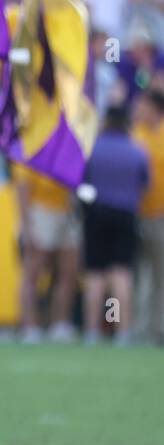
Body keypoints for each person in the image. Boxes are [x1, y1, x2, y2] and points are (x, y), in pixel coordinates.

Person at [81, 104, 150, 345]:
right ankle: (122, 332)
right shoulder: (136, 151)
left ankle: (92, 331)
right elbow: (145, 183)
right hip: (126, 214)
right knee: (121, 274)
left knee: (95, 275)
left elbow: (82, 181)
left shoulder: (94, 149)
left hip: (97, 214)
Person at [14, 164, 81, 343]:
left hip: (67, 211)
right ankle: (30, 327)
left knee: (68, 272)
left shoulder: (69, 148)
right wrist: (26, 227)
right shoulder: (31, 150)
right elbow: (22, 189)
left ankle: (60, 324)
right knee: (32, 272)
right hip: (40, 210)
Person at [132, 88, 164, 344]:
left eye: (142, 105)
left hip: (161, 214)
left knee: (161, 273)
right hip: (139, 214)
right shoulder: (135, 134)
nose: (138, 109)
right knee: (142, 273)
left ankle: (159, 329)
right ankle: (142, 328)